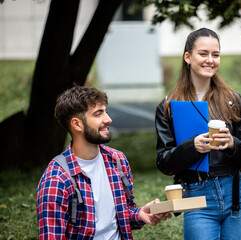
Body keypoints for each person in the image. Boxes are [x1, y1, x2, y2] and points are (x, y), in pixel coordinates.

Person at [155, 28, 241, 239]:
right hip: (196, 194)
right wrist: (192, 147)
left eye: (216, 54)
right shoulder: (168, 106)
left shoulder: (232, 100)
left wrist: (232, 143)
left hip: (239, 193)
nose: (210, 60)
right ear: (188, 57)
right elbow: (164, 163)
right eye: (203, 53)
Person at [36, 86, 171, 240]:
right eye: (98, 114)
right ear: (77, 124)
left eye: (105, 111)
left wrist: (139, 214)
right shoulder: (56, 180)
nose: (108, 119)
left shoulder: (117, 160)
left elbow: (121, 215)